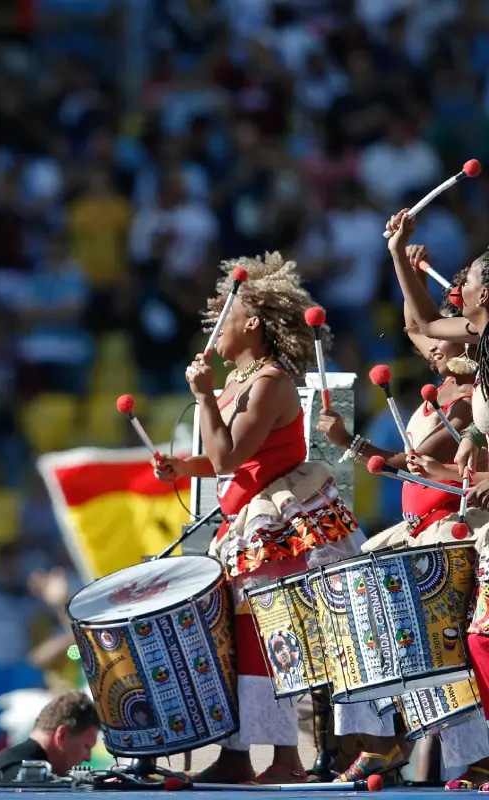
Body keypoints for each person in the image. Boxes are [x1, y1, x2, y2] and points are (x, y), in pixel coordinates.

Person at [152, 253, 366, 784]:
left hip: (276, 525)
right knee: (240, 639)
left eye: (225, 317)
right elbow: (222, 458)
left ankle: (285, 758)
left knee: (269, 639)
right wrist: (182, 466)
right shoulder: (238, 381)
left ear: (251, 323)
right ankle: (237, 754)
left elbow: (229, 455)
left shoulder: (270, 381)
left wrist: (203, 396)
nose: (215, 327)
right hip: (245, 523)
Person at [382, 210, 489, 789]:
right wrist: (400, 257)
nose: (457, 290)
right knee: (474, 640)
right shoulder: (480, 343)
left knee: (475, 640)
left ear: (483, 295)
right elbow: (420, 324)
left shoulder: (474, 366)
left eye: (464, 283)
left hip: (465, 528)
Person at [0, 691, 99, 781]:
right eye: (87, 746)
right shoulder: (27, 782)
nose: (88, 758)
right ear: (61, 735)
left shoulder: (4, 770)